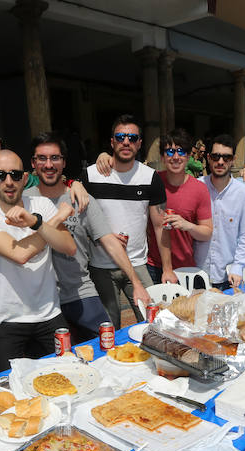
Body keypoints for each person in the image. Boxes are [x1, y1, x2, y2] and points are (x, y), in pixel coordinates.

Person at [23, 132, 149, 340]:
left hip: (80, 291)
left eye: (55, 158)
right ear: (33, 163)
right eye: (42, 158)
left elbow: (110, 241)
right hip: (41, 300)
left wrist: (136, 283)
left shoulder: (81, 198)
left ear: (63, 163)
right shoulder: (24, 201)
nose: (48, 165)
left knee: (107, 341)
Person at [0, 150, 77, 373]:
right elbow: (19, 254)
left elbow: (69, 247)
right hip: (9, 320)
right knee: (11, 392)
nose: (8, 182)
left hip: (50, 315)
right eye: (0, 175)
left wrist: (37, 222)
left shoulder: (42, 204)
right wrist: (48, 222)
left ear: (25, 178)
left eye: (15, 175)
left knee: (68, 379)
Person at [81, 115, 166, 329]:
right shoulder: (91, 175)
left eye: (132, 137)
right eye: (120, 137)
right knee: (107, 329)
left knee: (153, 323)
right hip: (100, 265)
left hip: (137, 263)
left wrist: (168, 267)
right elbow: (79, 220)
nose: (126, 141)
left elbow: (159, 225)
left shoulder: (150, 177)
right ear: (112, 143)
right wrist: (99, 237)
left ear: (139, 143)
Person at [146, 129, 213, 283]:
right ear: (163, 157)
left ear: (189, 156)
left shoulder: (199, 189)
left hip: (185, 268)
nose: (175, 157)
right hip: (154, 267)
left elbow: (207, 233)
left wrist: (187, 225)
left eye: (181, 151)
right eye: (170, 152)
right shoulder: (152, 181)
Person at [194, 134, 245, 290]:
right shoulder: (196, 187)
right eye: (216, 156)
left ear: (233, 160)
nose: (220, 162)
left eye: (226, 158)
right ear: (208, 158)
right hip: (197, 274)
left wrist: (238, 266)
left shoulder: (243, 193)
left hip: (227, 277)